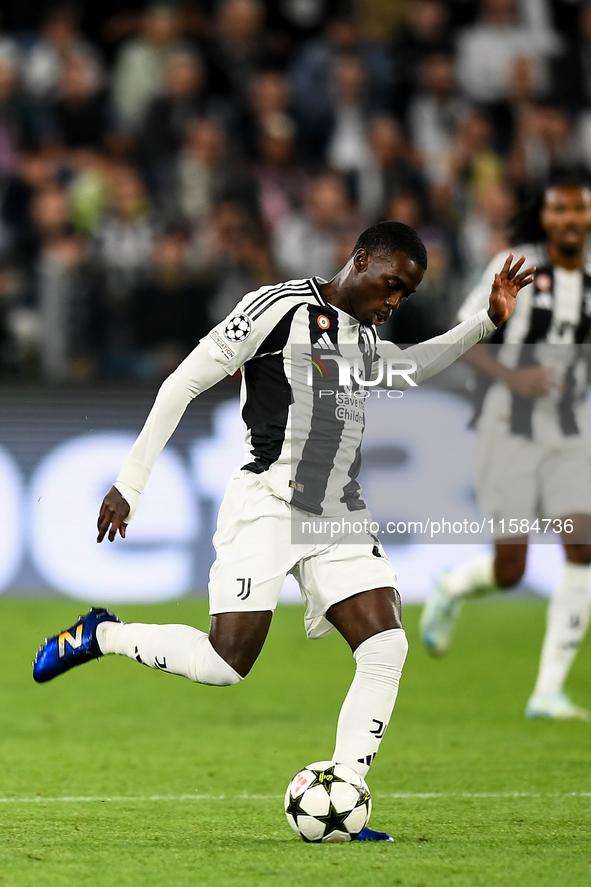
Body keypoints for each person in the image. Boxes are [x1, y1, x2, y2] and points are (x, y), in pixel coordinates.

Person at [32, 221, 533, 841]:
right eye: (391, 284)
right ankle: (103, 634)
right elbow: (182, 382)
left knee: (385, 648)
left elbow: (407, 368)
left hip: (339, 514)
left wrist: (484, 322)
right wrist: (129, 485)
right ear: (361, 260)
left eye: (404, 294)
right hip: (267, 503)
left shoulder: (365, 339)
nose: (393, 301)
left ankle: (345, 793)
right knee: (225, 664)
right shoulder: (277, 308)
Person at [420, 179, 591, 720]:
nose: (568, 219)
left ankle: (547, 692)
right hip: (507, 426)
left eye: (578, 210)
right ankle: (450, 587)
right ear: (544, 218)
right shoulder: (516, 263)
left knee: (582, 547)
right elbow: (463, 336)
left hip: (568, 432)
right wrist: (514, 380)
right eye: (559, 209)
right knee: (511, 568)